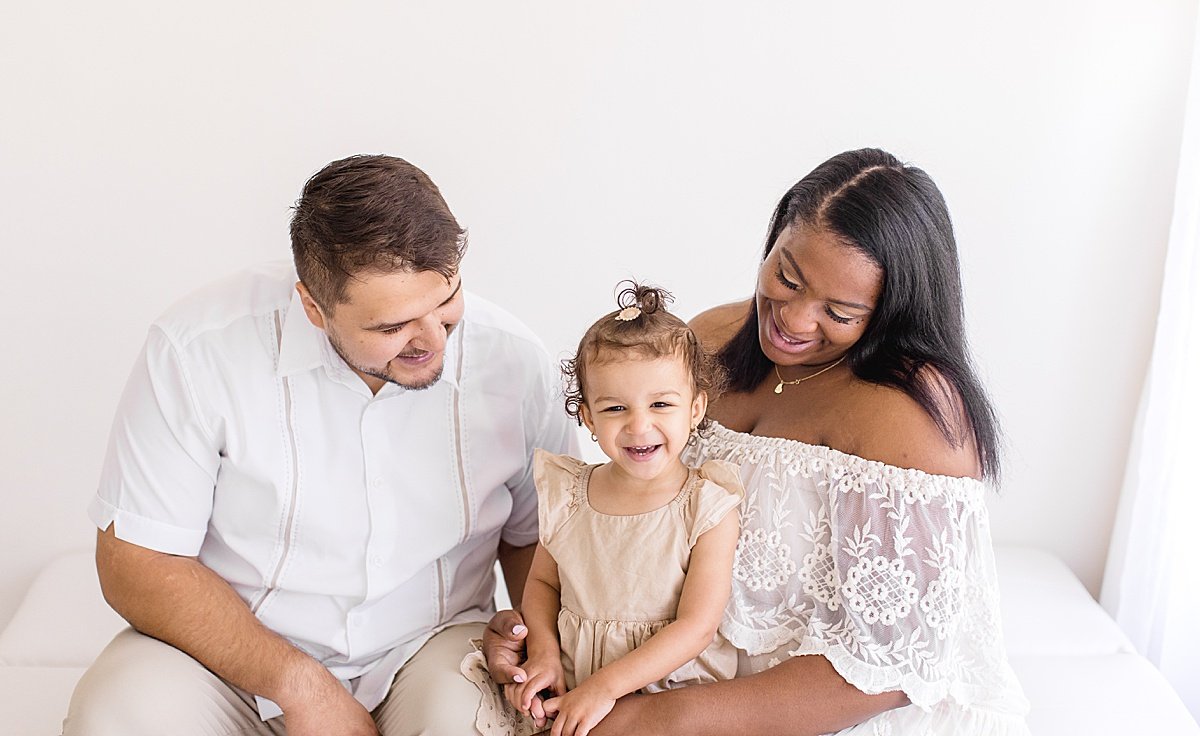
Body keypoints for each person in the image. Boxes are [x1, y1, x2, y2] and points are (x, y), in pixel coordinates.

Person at [484, 148, 1031, 735]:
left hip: (807, 716)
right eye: (786, 277)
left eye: (839, 311)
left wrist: (662, 718)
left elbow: (894, 666)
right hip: (660, 681)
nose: (793, 320)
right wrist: (543, 634)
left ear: (891, 312)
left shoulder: (915, 415)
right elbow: (639, 526)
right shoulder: (709, 338)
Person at [64, 155, 576, 736]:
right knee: (116, 716)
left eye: (448, 300)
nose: (435, 340)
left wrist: (537, 640)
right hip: (228, 655)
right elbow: (138, 561)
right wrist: (297, 684)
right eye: (393, 327)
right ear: (313, 305)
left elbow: (540, 538)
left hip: (431, 645)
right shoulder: (196, 348)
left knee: (476, 725)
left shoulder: (516, 360)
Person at [463, 282, 742, 736]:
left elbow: (697, 626)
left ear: (695, 408)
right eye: (615, 408)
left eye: (660, 404)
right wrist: (546, 654)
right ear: (589, 417)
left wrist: (607, 687)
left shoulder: (706, 506)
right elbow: (541, 582)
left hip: (664, 693)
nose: (638, 425)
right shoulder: (570, 493)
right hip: (574, 681)